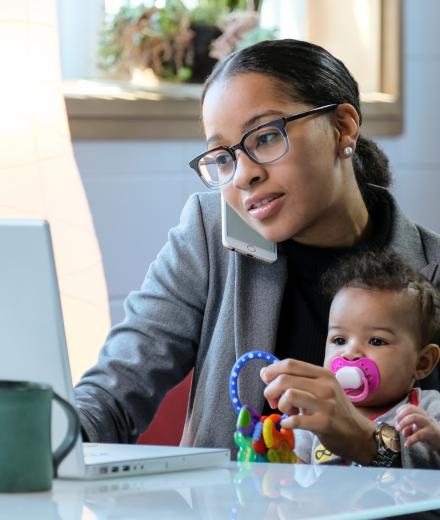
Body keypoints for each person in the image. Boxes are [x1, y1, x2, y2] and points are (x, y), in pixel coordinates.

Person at [74, 39, 440, 466]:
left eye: (266, 137)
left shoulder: (429, 271)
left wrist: (365, 440)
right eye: (223, 157)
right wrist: (49, 437)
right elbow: (113, 393)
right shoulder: (210, 233)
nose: (245, 174)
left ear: (343, 127)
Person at [279, 251, 440, 468]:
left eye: (376, 341)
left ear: (423, 363)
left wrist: (436, 439)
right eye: (339, 339)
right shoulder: (316, 410)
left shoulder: (428, 409)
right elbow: (293, 474)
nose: (350, 352)